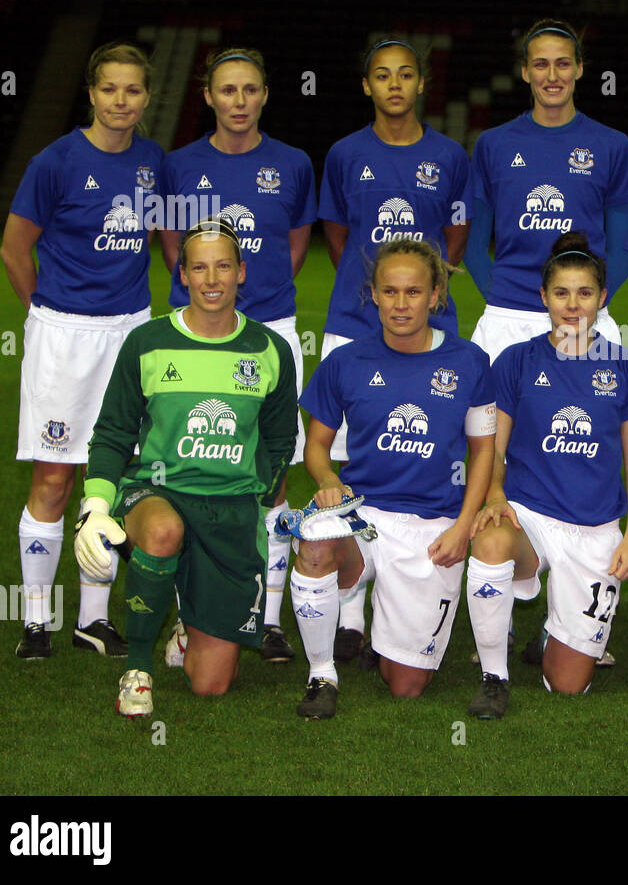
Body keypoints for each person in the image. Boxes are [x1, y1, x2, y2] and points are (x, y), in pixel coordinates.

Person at [73, 222, 297, 717]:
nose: (211, 278)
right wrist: (94, 507)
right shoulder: (148, 342)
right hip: (160, 492)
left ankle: (186, 626)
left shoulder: (271, 350)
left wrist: (255, 495)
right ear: (183, 274)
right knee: (163, 531)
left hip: (231, 510)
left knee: (211, 685)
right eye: (199, 266)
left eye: (222, 266)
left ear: (242, 272)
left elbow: (282, 439)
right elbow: (112, 432)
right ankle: (137, 668)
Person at [0, 42, 164, 661]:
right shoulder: (55, 161)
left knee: (119, 476)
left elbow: (165, 237)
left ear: (146, 97)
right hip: (63, 335)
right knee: (54, 475)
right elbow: (15, 250)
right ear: (91, 94)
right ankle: (36, 622)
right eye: (109, 89)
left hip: (131, 335)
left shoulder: (153, 161)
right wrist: (45, 316)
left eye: (132, 90)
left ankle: (93, 619)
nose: (121, 101)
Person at [289, 239, 495, 719]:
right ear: (373, 295)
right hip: (363, 515)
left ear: (436, 296)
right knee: (316, 541)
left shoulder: (469, 362)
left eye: (414, 292)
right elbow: (316, 446)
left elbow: (484, 450)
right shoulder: (345, 361)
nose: (401, 304)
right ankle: (322, 674)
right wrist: (325, 479)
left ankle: (384, 633)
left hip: (432, 525)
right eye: (390, 291)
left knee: (406, 686)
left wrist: (463, 526)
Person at [158, 47, 316, 666]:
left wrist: (254, 302)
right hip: (196, 333)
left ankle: (267, 617)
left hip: (267, 326)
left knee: (272, 478)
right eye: (227, 90)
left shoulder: (294, 163)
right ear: (209, 96)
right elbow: (175, 248)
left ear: (266, 95)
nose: (239, 101)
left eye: (250, 90)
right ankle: (188, 615)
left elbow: (295, 243)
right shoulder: (177, 165)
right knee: (191, 469)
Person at [317, 37, 471, 664]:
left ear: (421, 84)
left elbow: (456, 234)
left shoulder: (449, 155)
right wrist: (376, 296)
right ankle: (351, 610)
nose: (395, 85)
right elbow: (336, 233)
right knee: (352, 454)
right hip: (356, 322)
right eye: (382, 76)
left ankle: (408, 579)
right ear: (367, 86)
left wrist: (422, 292)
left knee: (429, 448)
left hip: (429, 323)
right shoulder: (345, 153)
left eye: (405, 75)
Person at [464, 233, 628, 719]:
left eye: (585, 293)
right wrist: (496, 494)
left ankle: (555, 628)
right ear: (543, 297)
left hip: (595, 529)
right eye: (562, 293)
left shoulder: (625, 365)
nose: (573, 304)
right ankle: (493, 676)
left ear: (603, 298)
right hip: (530, 516)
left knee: (567, 685)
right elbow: (493, 447)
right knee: (491, 541)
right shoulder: (516, 361)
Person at [465, 18, 628, 363]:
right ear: (524, 71)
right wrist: (502, 295)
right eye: (540, 64)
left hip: (584, 320)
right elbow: (473, 243)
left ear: (578, 68)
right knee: (494, 419)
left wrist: (592, 299)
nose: (552, 76)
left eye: (562, 63)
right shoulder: (493, 144)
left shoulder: (612, 145)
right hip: (507, 318)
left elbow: (624, 246)